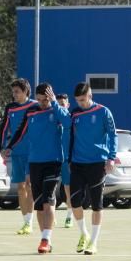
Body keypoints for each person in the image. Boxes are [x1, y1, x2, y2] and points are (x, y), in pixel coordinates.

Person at [5, 82, 69, 254]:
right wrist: (9, 147)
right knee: (39, 204)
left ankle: (46, 239)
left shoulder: (56, 110)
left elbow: (67, 121)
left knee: (48, 200)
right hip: (34, 162)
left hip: (53, 161)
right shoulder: (31, 111)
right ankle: (44, 238)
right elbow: (20, 131)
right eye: (39, 99)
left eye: (45, 100)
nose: (41, 103)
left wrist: (54, 102)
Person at [67, 82, 117, 255]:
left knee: (97, 204)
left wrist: (111, 158)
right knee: (74, 201)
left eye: (82, 100)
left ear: (90, 95)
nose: (80, 103)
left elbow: (112, 135)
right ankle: (84, 234)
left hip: (97, 163)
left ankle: (94, 242)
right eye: (78, 101)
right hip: (77, 163)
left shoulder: (103, 112)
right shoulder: (74, 113)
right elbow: (68, 134)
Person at [1, 78, 37, 235]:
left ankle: (30, 221)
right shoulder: (10, 108)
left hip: (33, 153)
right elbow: (4, 128)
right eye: (13, 91)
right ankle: (25, 221)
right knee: (21, 188)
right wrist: (3, 147)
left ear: (25, 92)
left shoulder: (35, 106)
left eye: (17, 92)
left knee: (30, 185)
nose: (14, 94)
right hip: (16, 153)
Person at [56, 93, 74, 228]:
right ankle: (51, 215)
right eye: (58, 104)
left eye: (63, 104)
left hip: (67, 159)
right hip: (53, 158)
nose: (61, 107)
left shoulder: (71, 121)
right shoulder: (53, 121)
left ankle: (69, 214)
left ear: (68, 105)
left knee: (68, 187)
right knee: (50, 187)